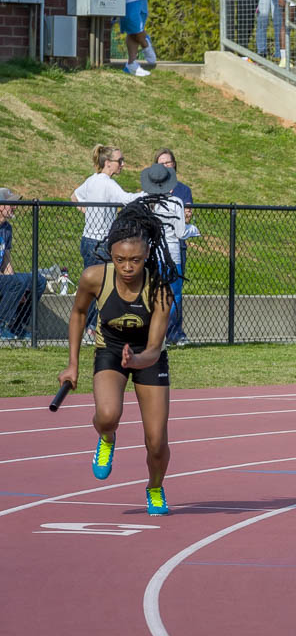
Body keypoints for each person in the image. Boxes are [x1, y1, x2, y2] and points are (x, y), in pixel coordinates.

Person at [57, 195, 182, 515]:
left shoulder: (160, 290)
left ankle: (155, 487)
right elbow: (78, 314)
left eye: (136, 260)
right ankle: (107, 437)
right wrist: (72, 364)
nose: (128, 267)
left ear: (146, 255)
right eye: (121, 259)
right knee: (108, 415)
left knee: (156, 442)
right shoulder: (94, 277)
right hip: (110, 350)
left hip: (148, 358)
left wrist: (137, 360)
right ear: (111, 254)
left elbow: (154, 347)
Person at [72, 145, 145, 342]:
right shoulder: (105, 182)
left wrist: (90, 215)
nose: (123, 164)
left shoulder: (92, 180)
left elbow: (75, 196)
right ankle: (90, 330)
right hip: (100, 244)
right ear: (108, 163)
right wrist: (147, 193)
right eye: (119, 161)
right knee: (103, 287)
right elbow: (128, 200)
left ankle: (90, 329)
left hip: (88, 240)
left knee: (91, 287)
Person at [153, 149, 194, 345]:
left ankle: (175, 333)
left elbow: (186, 216)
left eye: (168, 163)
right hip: (157, 248)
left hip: (177, 247)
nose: (165, 166)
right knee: (156, 291)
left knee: (176, 292)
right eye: (161, 164)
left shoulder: (183, 190)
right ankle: (157, 333)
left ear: (174, 165)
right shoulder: (151, 190)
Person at [0, 189, 47, 341]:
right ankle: (1, 326)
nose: (15, 207)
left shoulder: (7, 228)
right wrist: (14, 284)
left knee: (38, 281)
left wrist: (16, 284)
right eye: (11, 203)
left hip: (2, 278)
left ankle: (17, 325)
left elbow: (6, 259)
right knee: (16, 282)